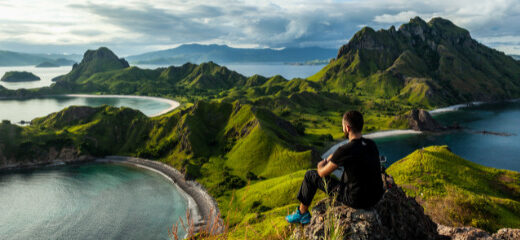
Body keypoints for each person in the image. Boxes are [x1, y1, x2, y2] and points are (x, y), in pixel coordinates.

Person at [286, 110, 384, 224]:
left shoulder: (344, 150)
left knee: (310, 176)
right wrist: (336, 157)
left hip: (356, 200)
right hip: (376, 197)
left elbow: (322, 173)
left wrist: (322, 163)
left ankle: (302, 213)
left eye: (343, 127)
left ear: (347, 128)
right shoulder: (371, 144)